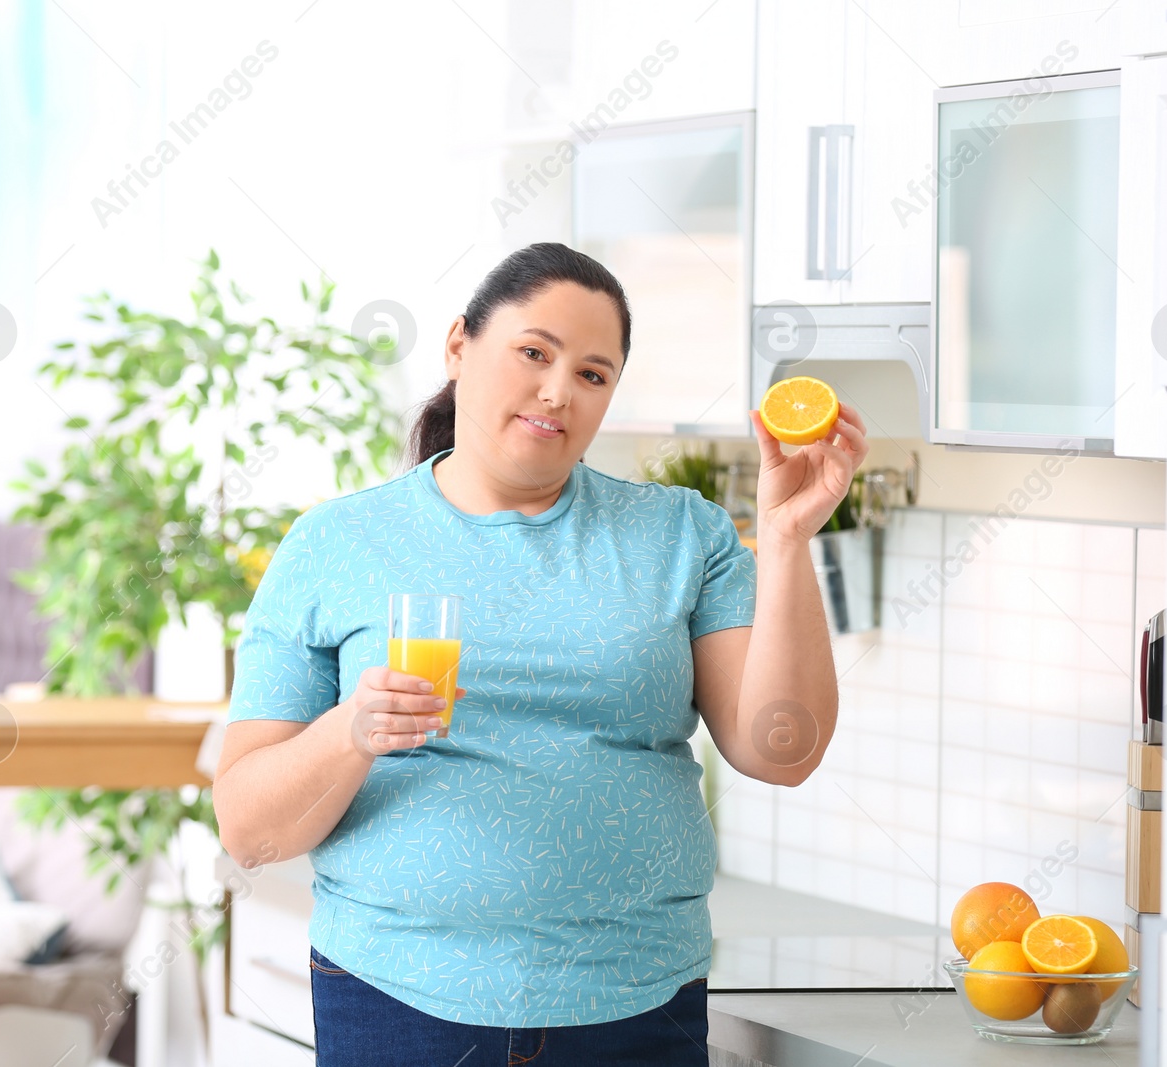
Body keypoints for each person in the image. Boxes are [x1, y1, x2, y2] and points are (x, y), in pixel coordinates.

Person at [212, 242, 867, 1065]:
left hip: (636, 1006)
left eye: (594, 374)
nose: (559, 390)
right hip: (396, 1001)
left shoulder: (680, 535)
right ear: (459, 346)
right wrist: (351, 730)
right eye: (534, 352)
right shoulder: (335, 544)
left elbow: (784, 750)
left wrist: (785, 537)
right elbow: (250, 832)